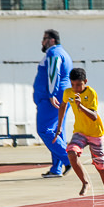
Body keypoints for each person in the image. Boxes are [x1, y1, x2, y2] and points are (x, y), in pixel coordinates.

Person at [54, 67, 104, 207]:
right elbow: (62, 106)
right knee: (71, 153)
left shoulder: (91, 93)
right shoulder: (68, 92)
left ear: (85, 82)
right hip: (80, 132)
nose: (75, 88)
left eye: (79, 85)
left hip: (95, 133)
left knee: (100, 166)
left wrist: (81, 106)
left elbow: (93, 116)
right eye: (73, 84)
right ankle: (85, 182)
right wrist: (59, 126)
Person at [34, 29, 73, 177]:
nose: (42, 42)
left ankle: (69, 158)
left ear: (52, 40)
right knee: (57, 131)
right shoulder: (63, 52)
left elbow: (53, 72)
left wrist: (51, 93)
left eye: (44, 39)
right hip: (61, 96)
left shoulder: (53, 53)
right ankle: (56, 169)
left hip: (53, 98)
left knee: (44, 130)